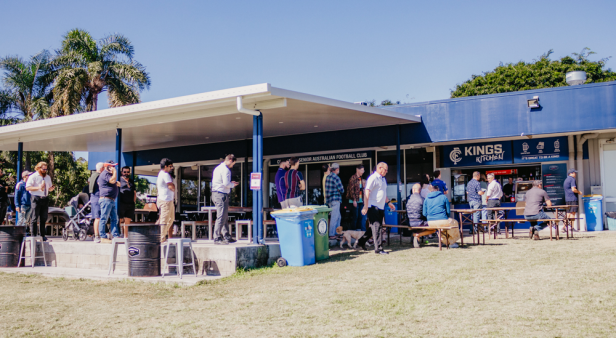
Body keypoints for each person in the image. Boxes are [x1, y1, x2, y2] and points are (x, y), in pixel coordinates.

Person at [358, 162, 395, 254]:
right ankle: (378, 249)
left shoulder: (383, 179)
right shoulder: (373, 178)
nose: (386, 172)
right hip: (373, 206)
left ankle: (361, 241)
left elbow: (383, 193)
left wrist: (389, 202)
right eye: (385, 169)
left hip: (381, 206)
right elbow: (367, 191)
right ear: (380, 168)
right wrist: (365, 206)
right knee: (377, 227)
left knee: (374, 227)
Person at [422, 183, 461, 248]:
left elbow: (424, 213)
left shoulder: (426, 198)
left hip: (430, 223)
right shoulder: (443, 197)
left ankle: (443, 242)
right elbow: (448, 211)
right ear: (438, 189)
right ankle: (452, 242)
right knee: (454, 223)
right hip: (442, 220)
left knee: (442, 228)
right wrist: (447, 217)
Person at [212, 154, 238, 245]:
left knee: (224, 216)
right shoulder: (226, 170)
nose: (232, 166)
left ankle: (226, 235)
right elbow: (226, 184)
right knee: (221, 216)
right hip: (221, 194)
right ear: (230, 160)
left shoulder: (218, 168)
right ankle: (217, 237)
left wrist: (230, 183)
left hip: (216, 193)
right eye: (233, 164)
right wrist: (232, 185)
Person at [26, 162, 54, 241]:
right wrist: (38, 187)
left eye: (46, 169)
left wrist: (50, 189)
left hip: (45, 198)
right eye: (43, 169)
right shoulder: (33, 176)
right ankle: (34, 236)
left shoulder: (47, 177)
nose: (45, 171)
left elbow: (49, 187)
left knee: (44, 218)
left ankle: (42, 236)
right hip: (36, 198)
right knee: (34, 218)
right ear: (38, 168)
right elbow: (28, 188)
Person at [97, 160, 121, 243]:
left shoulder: (108, 175)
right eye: (113, 166)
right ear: (108, 167)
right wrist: (115, 172)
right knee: (104, 218)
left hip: (110, 200)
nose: (114, 168)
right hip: (106, 199)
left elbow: (112, 182)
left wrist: (116, 183)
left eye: (114, 166)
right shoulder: (105, 173)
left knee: (115, 219)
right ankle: (103, 237)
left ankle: (115, 235)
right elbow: (112, 181)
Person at [157, 158, 176, 242]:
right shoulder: (165, 174)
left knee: (171, 219)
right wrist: (174, 187)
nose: (171, 168)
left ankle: (161, 234)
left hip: (168, 200)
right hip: (165, 200)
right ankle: (160, 237)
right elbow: (171, 186)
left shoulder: (161, 174)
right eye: (170, 166)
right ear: (165, 166)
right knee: (164, 219)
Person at [325, 163, 344, 238]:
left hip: (329, 200)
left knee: (338, 216)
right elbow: (341, 189)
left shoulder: (327, 177)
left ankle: (337, 232)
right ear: (337, 169)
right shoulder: (336, 178)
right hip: (336, 199)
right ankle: (332, 234)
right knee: (335, 217)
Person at [406, 183, 428, 248]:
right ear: (420, 190)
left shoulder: (408, 199)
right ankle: (417, 235)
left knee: (415, 223)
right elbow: (424, 213)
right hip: (419, 222)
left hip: (409, 222)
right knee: (433, 228)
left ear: (413, 189)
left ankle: (413, 236)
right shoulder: (422, 199)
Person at [346, 164, 367, 231]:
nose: (363, 172)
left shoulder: (360, 178)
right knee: (356, 216)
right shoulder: (353, 178)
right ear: (357, 170)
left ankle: (359, 230)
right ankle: (353, 231)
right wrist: (354, 200)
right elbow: (351, 190)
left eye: (363, 170)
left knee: (361, 216)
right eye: (362, 170)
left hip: (360, 200)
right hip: (355, 200)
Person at [119, 166, 136, 238]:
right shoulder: (119, 180)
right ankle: (118, 235)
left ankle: (126, 237)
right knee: (119, 220)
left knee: (127, 221)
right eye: (124, 172)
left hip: (130, 204)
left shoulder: (131, 181)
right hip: (122, 204)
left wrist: (134, 202)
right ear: (122, 172)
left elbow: (134, 192)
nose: (126, 173)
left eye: (127, 172)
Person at [89, 163, 104, 241]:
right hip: (97, 198)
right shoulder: (98, 176)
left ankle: (99, 235)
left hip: (94, 198)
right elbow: (101, 185)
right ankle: (97, 235)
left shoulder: (93, 175)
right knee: (98, 218)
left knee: (99, 217)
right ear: (101, 168)